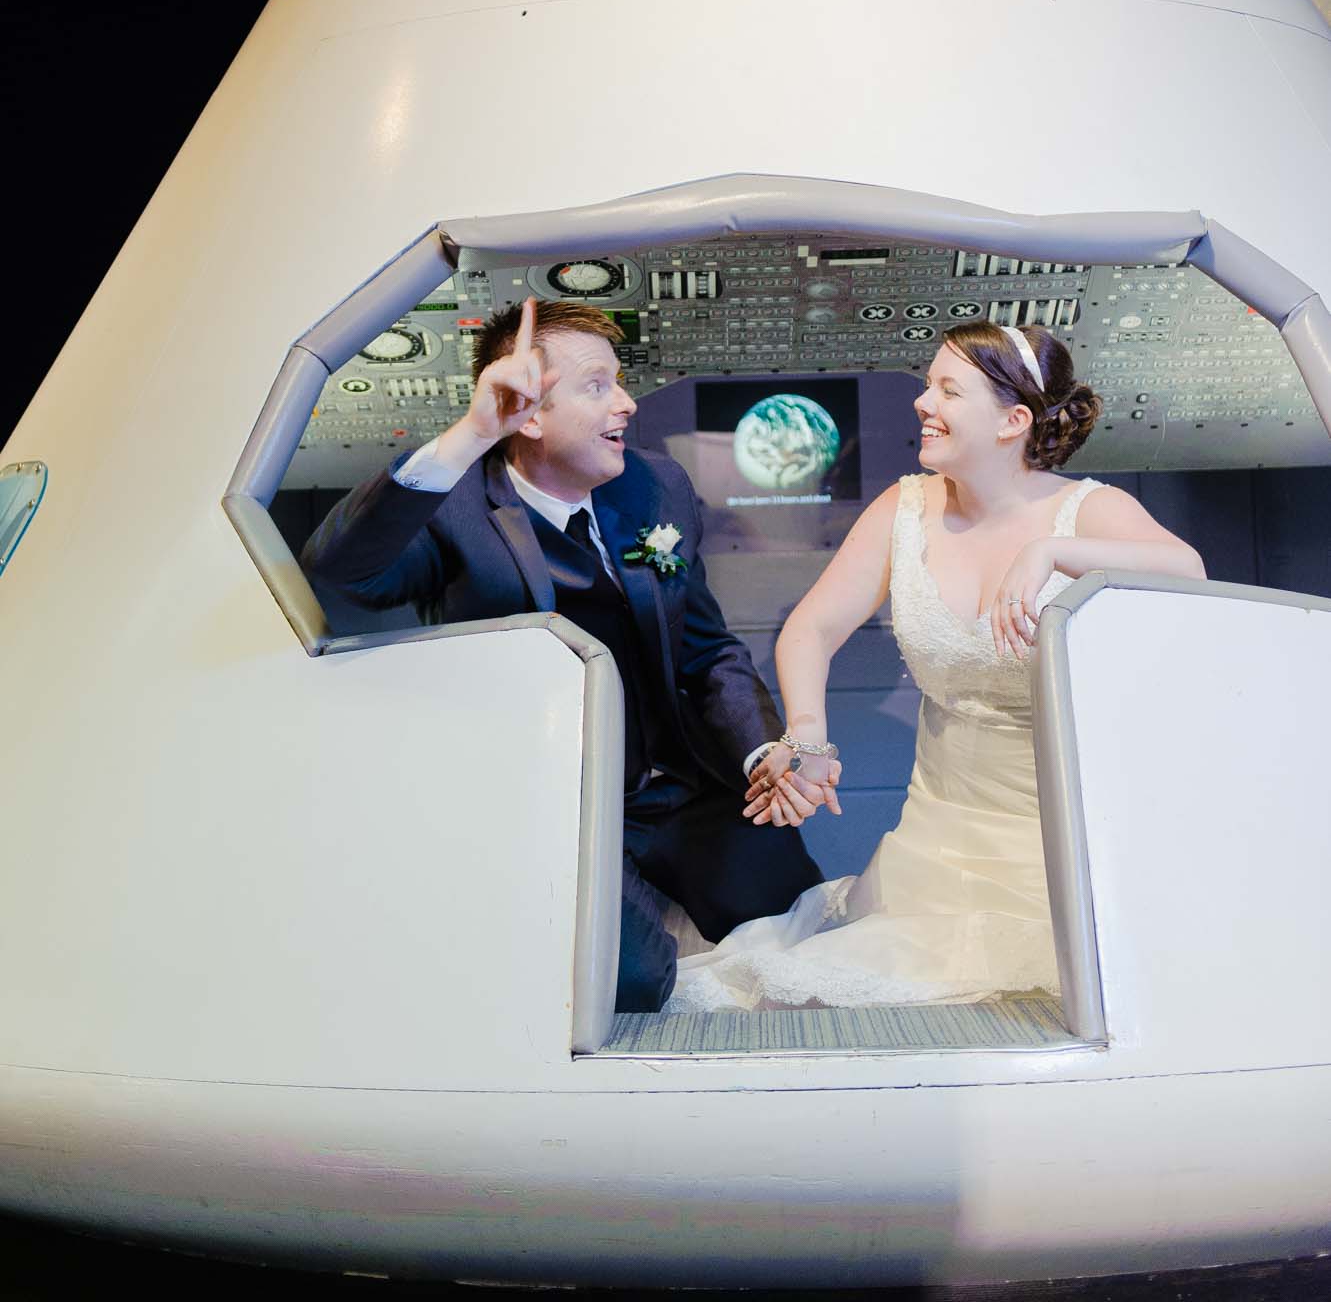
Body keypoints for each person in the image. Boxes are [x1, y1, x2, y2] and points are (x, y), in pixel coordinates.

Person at [665, 319, 1205, 1013]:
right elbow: (812, 628)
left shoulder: (1091, 510)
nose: (922, 402)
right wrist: (807, 737)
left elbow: (1187, 571)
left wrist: (1050, 552)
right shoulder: (905, 506)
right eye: (927, 385)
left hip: (1067, 846)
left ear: (1012, 421)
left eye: (948, 390)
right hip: (936, 845)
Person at [302, 295, 821, 1012]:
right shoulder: (453, 506)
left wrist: (763, 751)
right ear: (529, 414)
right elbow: (340, 571)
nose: (627, 404)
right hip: (546, 804)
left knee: (802, 933)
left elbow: (706, 649)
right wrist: (471, 433)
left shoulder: (656, 485)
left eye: (619, 381)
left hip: (675, 786)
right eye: (597, 386)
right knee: (628, 983)